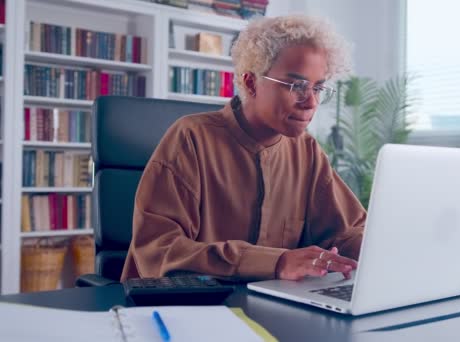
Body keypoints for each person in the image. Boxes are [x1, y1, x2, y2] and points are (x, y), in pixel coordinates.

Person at [120, 14, 366, 282]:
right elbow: (158, 251)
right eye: (297, 86)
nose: (311, 103)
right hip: (185, 307)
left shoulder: (306, 150)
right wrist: (277, 261)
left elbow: (345, 231)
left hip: (270, 308)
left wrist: (382, 247)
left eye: (318, 88)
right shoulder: (190, 138)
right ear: (251, 83)